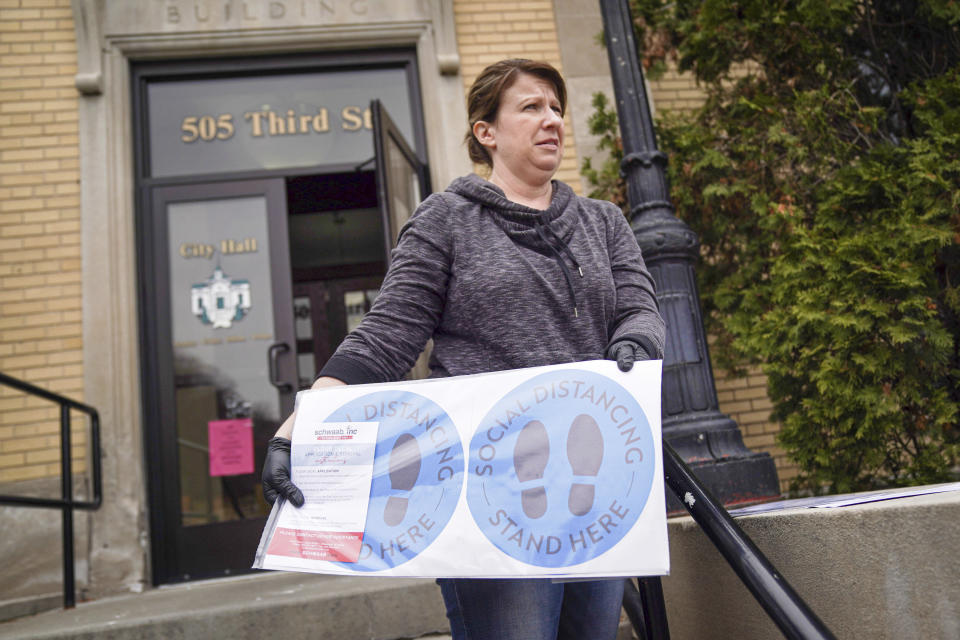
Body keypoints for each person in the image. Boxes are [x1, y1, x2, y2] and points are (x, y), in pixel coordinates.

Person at [263, 58, 665, 640]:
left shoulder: (604, 222)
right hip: (492, 491)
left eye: (556, 108)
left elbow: (641, 309)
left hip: (593, 486)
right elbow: (386, 336)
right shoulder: (445, 220)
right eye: (531, 107)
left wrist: (634, 342)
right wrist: (298, 425)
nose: (551, 119)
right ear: (487, 132)